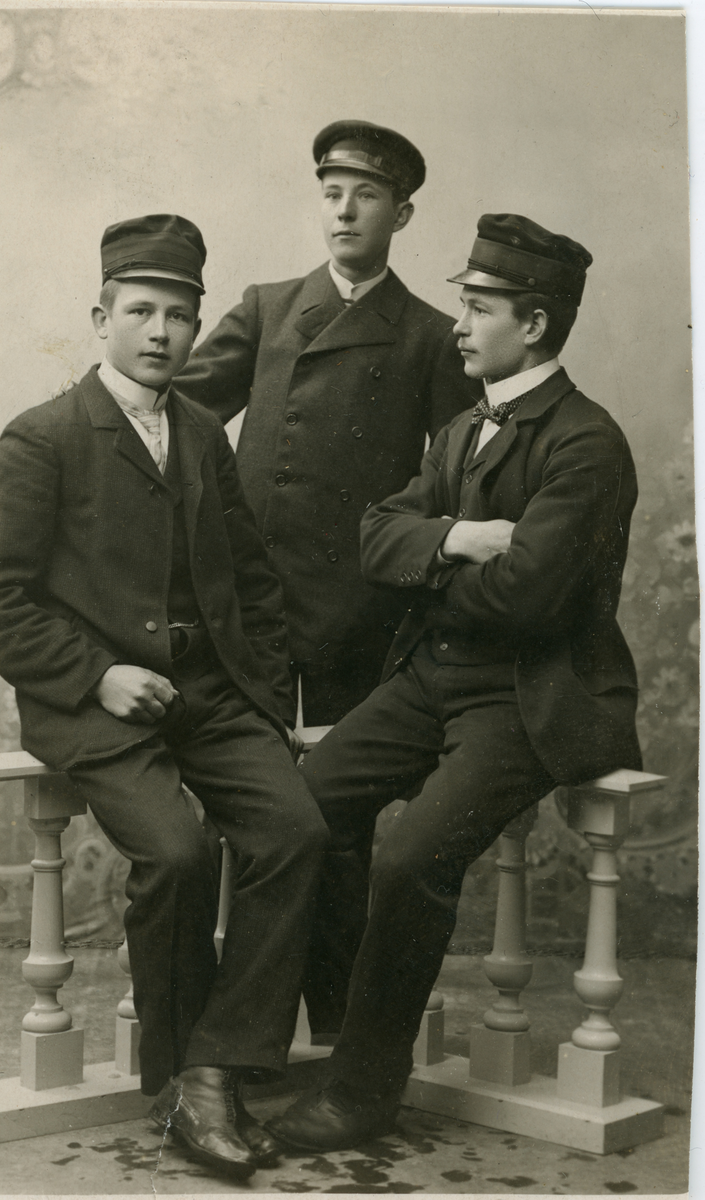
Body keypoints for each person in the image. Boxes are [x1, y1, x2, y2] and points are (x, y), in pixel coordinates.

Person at [0, 214, 328, 1179]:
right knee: (177, 852)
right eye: (141, 311)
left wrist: (264, 700)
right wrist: (96, 675)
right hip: (95, 703)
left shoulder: (200, 432)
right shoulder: (41, 438)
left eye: (179, 315)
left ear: (198, 325)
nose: (161, 332)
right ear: (101, 318)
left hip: (209, 693)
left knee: (294, 831)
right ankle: (181, 1083)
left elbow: (251, 580)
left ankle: (212, 1070)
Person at [267, 213, 642, 1153]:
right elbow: (372, 538)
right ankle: (285, 1039)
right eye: (462, 304)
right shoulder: (460, 429)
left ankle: (362, 1091)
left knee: (409, 858)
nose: (458, 326)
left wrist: (424, 562)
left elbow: (527, 601)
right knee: (298, 810)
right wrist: (461, 539)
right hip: (428, 677)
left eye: (479, 308)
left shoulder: (586, 445)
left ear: (535, 325)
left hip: (526, 696)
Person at [174, 120, 474, 728]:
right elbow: (181, 408)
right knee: (243, 753)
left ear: (402, 215)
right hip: (254, 584)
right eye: (332, 194)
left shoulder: (433, 336)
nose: (345, 211)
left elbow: (456, 475)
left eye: (366, 196)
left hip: (361, 600)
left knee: (342, 767)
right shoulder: (269, 308)